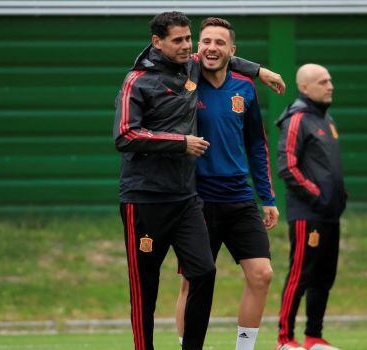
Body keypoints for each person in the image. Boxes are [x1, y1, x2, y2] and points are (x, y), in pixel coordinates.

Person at [113, 11, 285, 350]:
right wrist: (181, 143)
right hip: (174, 196)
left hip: (217, 197)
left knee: (245, 273)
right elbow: (124, 135)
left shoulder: (230, 81)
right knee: (170, 285)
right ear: (159, 42)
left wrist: (260, 70)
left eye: (193, 39)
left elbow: (257, 144)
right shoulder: (164, 76)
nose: (200, 47)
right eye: (198, 40)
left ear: (232, 49)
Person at [173, 17, 279, 350]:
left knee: (262, 275)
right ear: (196, 47)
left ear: (232, 51)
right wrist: (261, 69)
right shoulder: (183, 80)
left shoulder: (244, 87)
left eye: (220, 43)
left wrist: (268, 197)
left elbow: (256, 145)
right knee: (193, 283)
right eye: (205, 41)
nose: (211, 48)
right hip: (197, 201)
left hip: (240, 197)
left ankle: (244, 348)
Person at [275, 64, 347, 350]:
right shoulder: (296, 119)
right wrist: (317, 196)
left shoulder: (326, 118)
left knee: (324, 276)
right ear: (305, 87)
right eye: (323, 81)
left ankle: (313, 336)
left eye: (330, 80)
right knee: (300, 274)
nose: (330, 86)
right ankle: (285, 338)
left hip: (330, 214)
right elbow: (287, 167)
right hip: (308, 214)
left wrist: (339, 197)